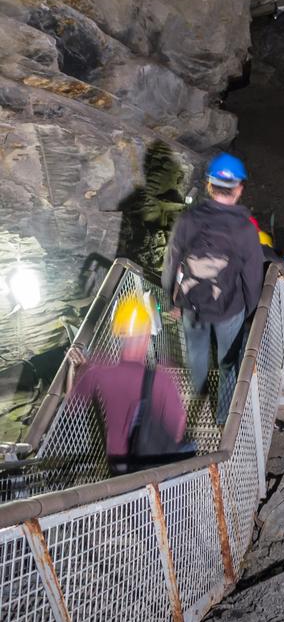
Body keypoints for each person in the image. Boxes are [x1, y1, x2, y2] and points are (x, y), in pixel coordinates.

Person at [162, 151, 264, 425]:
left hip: (191, 303)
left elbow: (171, 261)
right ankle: (222, 419)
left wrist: (171, 300)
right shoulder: (245, 229)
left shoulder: (187, 219)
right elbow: (253, 277)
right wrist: (250, 312)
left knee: (195, 354)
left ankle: (199, 396)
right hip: (229, 307)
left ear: (209, 185)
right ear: (239, 189)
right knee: (228, 364)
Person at [68, 296, 188, 474]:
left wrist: (75, 369)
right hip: (152, 464)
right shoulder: (161, 379)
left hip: (118, 463)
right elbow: (178, 424)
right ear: (146, 336)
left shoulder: (97, 372)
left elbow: (72, 404)